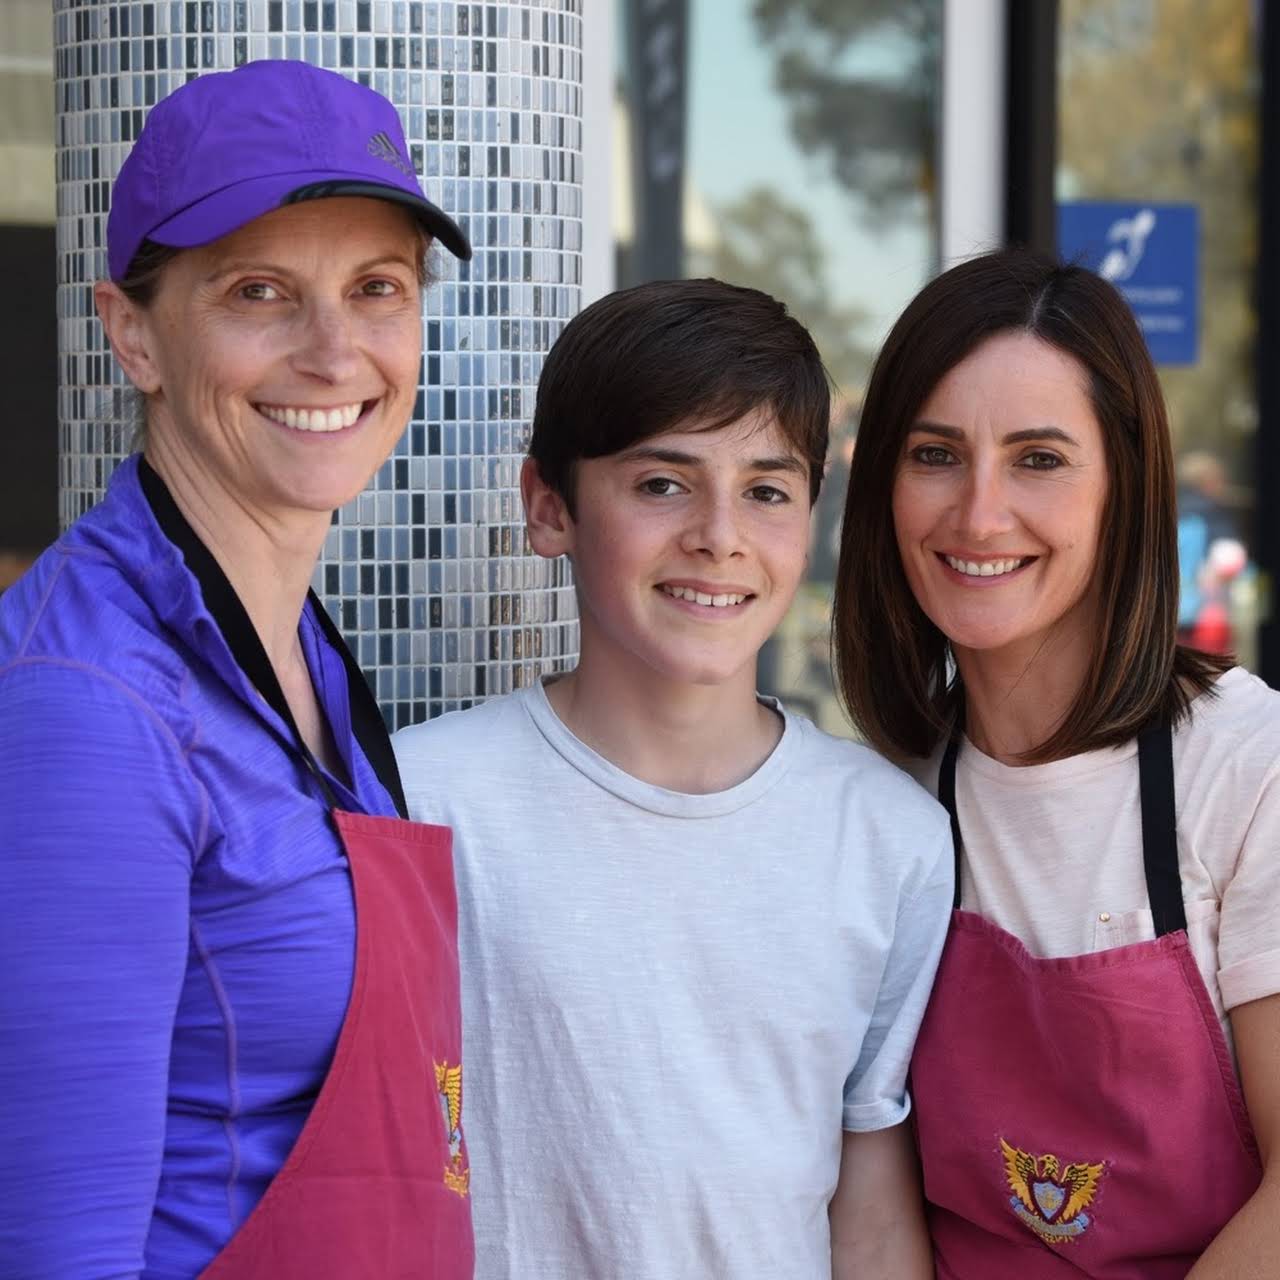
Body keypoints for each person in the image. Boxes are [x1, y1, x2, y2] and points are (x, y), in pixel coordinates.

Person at [0, 61, 474, 1279]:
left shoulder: (293, 636)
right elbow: (59, 1246)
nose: (333, 352)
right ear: (133, 334)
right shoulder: (88, 704)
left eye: (377, 289)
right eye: (260, 291)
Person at [393, 278, 954, 1279]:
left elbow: (865, 1210)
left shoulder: (888, 837)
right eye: (662, 482)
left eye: (766, 489)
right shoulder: (423, 804)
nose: (719, 534)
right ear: (547, 505)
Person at [833, 247, 1278, 1277]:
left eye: (1037, 458)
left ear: (1122, 485)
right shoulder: (887, 791)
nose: (977, 513)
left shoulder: (1242, 762)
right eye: (934, 453)